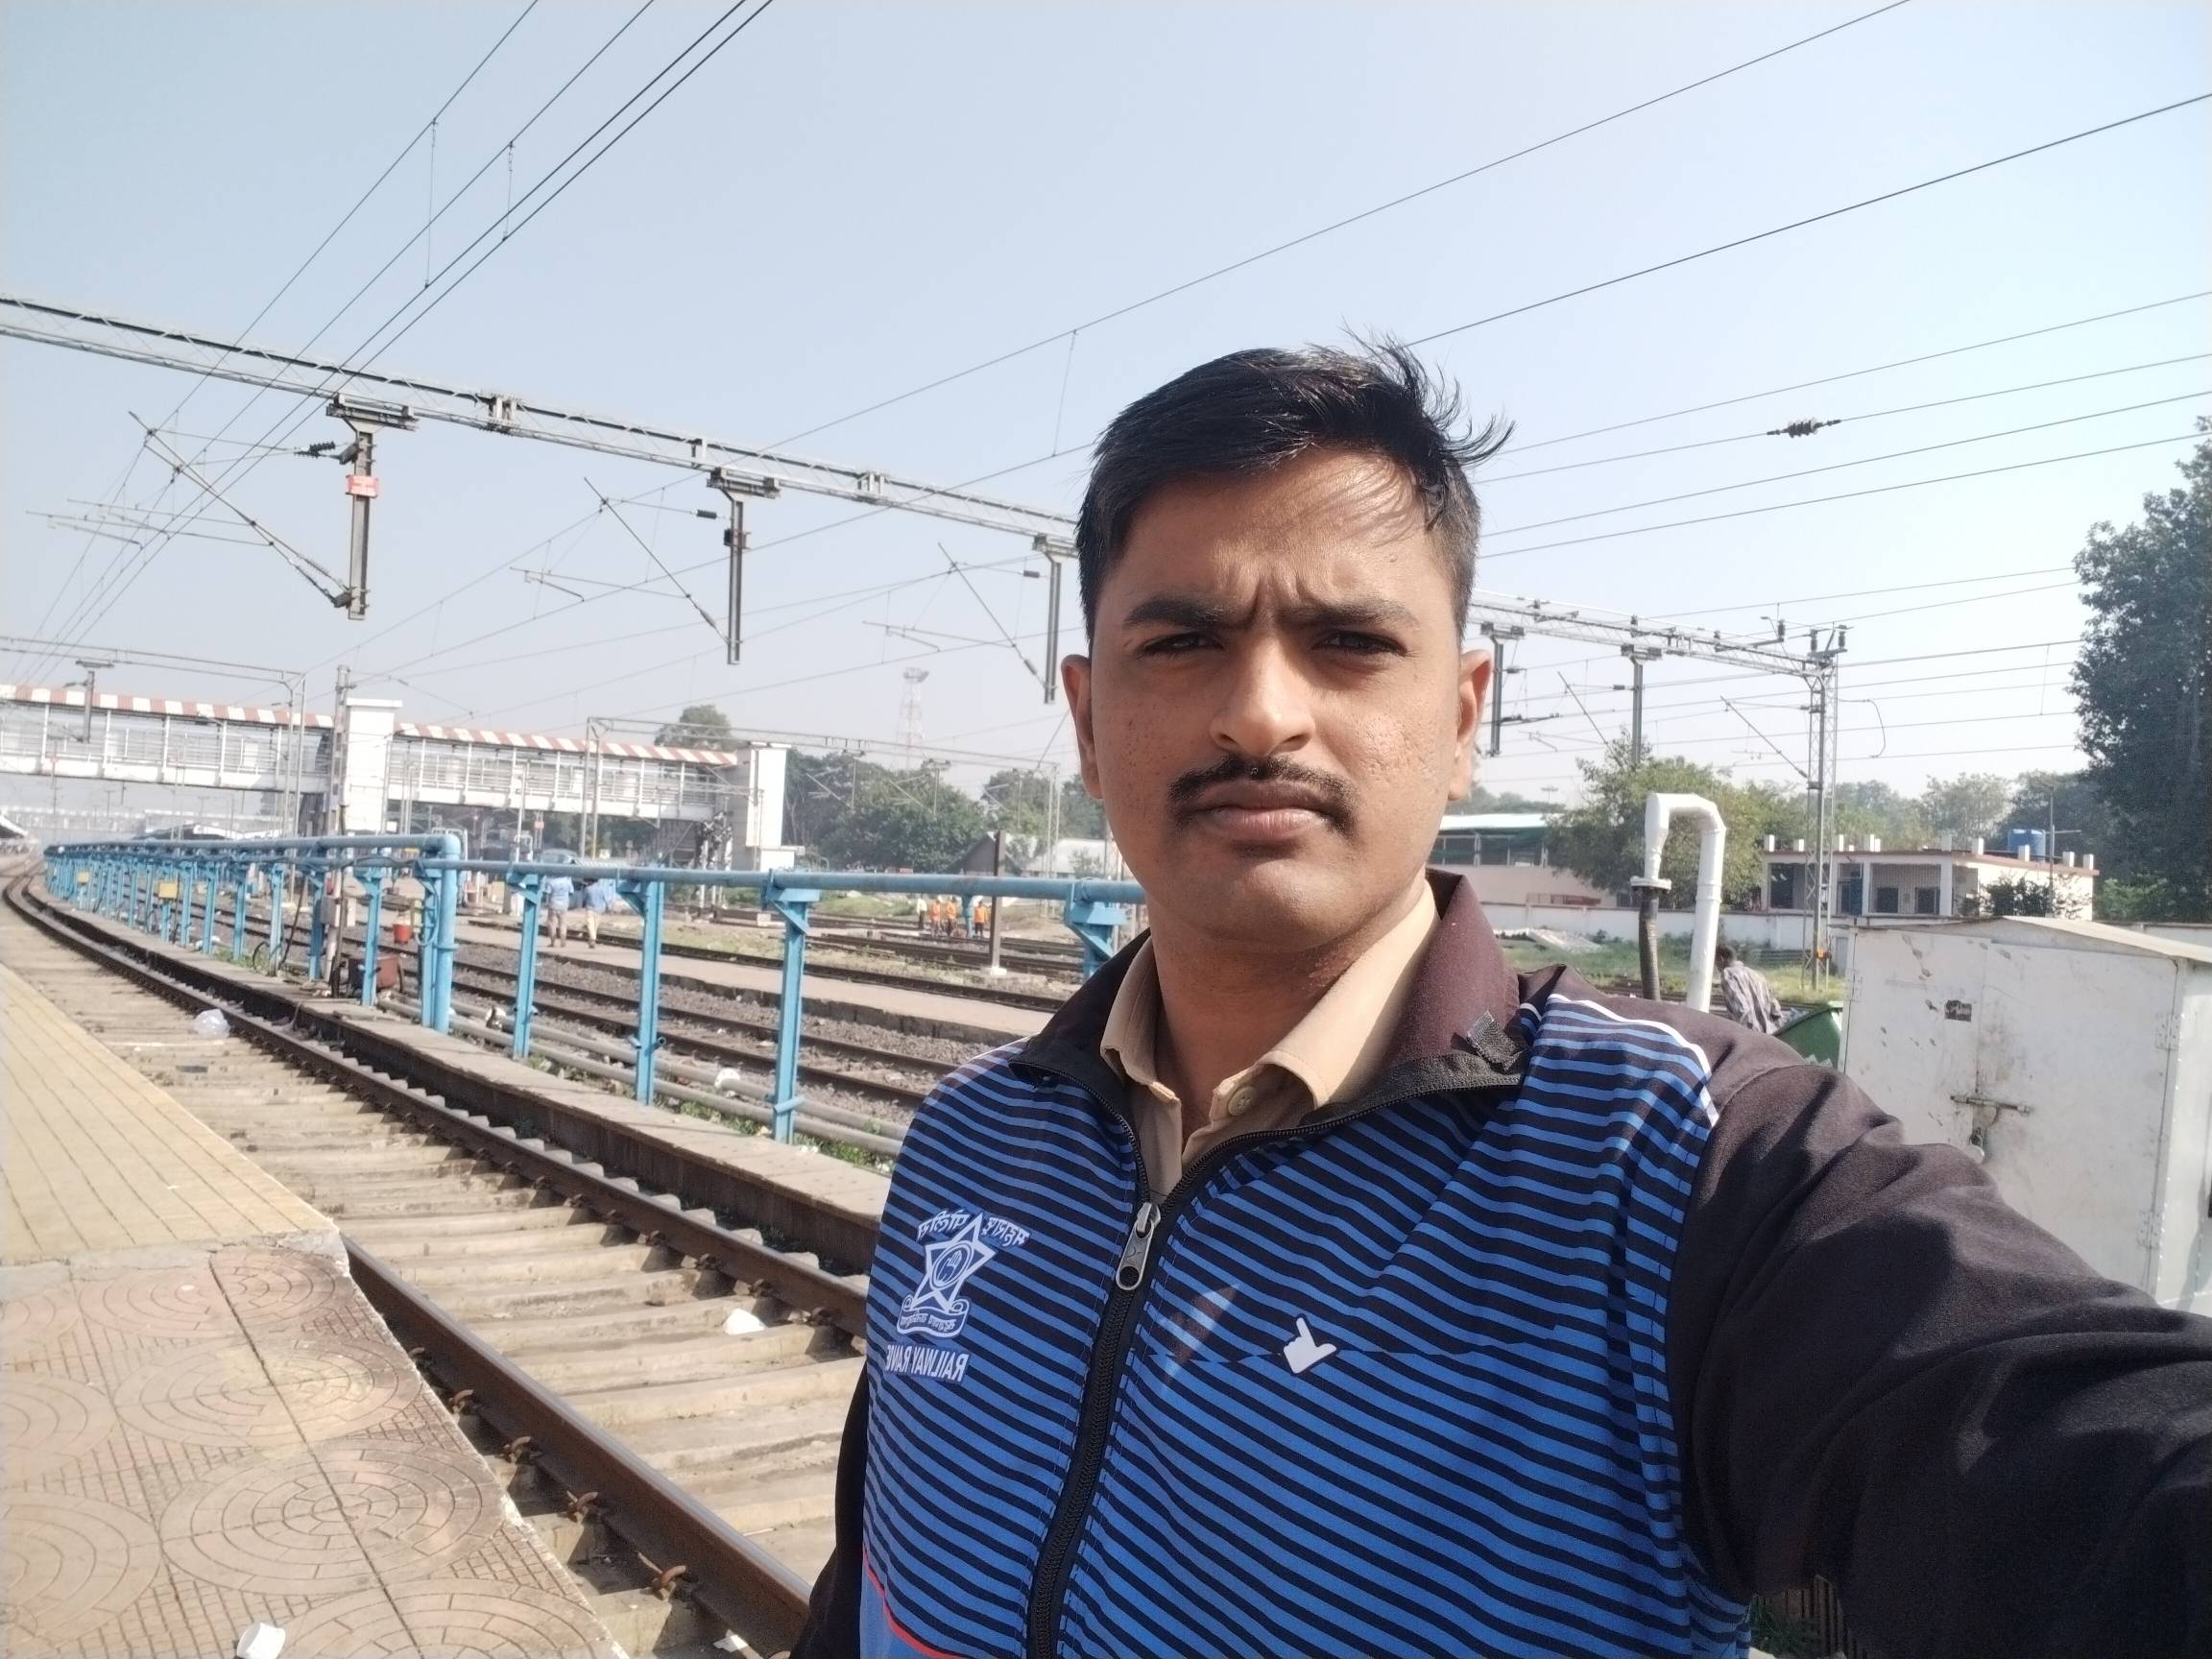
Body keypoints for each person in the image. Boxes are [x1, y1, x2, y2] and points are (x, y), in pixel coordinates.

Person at [793, 343, 2210, 1659]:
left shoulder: (1680, 1166)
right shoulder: (970, 1141)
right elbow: (876, 1580)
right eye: (1181, 644)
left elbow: (2066, 1443)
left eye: (1350, 643)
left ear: (1464, 715)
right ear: (1089, 722)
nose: (1262, 713)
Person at [1716, 944, 1786, 1034]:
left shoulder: (1728, 974)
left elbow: (1740, 1012)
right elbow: (1776, 1011)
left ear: (1721, 959)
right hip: (1771, 1035)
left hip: (1751, 1036)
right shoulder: (1758, 975)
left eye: (1715, 962)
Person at [582, 873, 616, 949]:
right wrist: (609, 909)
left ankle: (593, 939)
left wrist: (583, 905)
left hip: (590, 909)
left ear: (590, 881)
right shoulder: (601, 889)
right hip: (599, 910)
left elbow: (584, 899)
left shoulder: (587, 889)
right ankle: (592, 941)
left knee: (590, 925)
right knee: (595, 927)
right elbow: (605, 899)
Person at [541, 870, 573, 950]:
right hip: (564, 906)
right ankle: (563, 941)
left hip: (553, 905)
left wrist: (546, 903)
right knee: (563, 924)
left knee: (552, 924)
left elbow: (547, 893)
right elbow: (571, 893)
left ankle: (553, 942)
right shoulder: (568, 882)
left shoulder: (551, 882)